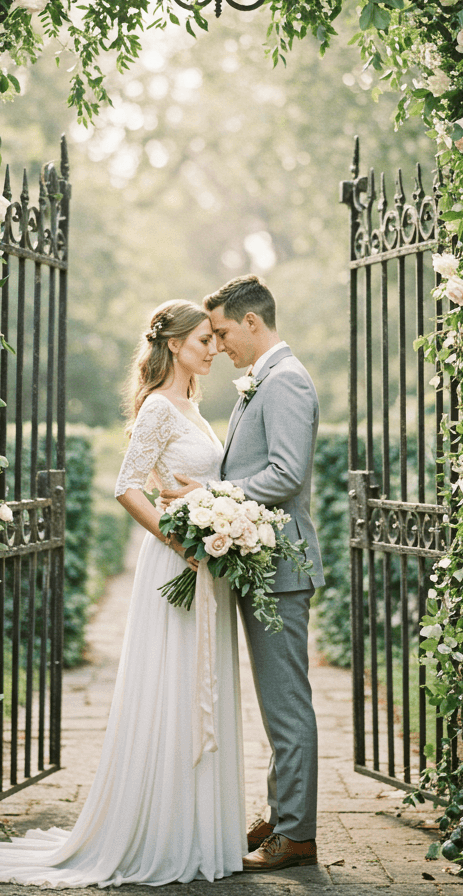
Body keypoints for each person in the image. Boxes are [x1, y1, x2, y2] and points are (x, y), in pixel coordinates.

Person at [0, 300, 246, 887]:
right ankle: (159, 831)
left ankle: (197, 829)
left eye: (214, 340)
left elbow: (196, 481)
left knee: (202, 684)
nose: (214, 349)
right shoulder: (159, 408)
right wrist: (181, 542)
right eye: (203, 341)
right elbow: (127, 487)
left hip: (206, 563)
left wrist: (219, 511)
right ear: (173, 344)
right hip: (176, 562)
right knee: (171, 686)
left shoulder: (192, 406)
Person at [161, 274, 322, 873]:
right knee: (277, 702)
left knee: (287, 704)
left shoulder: (286, 381)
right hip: (263, 563)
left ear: (252, 322)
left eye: (225, 331)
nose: (220, 344)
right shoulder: (265, 379)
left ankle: (297, 835)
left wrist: (209, 495)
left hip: (281, 567)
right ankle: (283, 816)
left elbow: (285, 474)